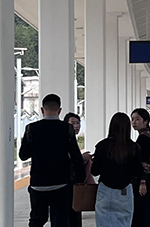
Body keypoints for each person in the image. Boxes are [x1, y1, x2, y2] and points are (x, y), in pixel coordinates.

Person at [19, 94, 86, 227]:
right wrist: (80, 178)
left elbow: (23, 155)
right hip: (61, 183)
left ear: (42, 110)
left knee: (36, 220)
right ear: (59, 111)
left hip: (38, 183)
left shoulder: (31, 129)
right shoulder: (67, 129)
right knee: (60, 221)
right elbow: (76, 156)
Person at [91, 112, 144, 227]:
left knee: (103, 222)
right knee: (124, 222)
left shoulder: (102, 146)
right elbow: (137, 172)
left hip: (105, 189)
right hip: (124, 190)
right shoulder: (133, 148)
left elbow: (95, 171)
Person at [63, 112, 94, 227]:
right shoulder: (66, 140)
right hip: (68, 183)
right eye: (73, 123)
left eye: (78, 123)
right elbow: (67, 159)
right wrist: (81, 158)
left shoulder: (72, 139)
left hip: (73, 182)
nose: (76, 126)